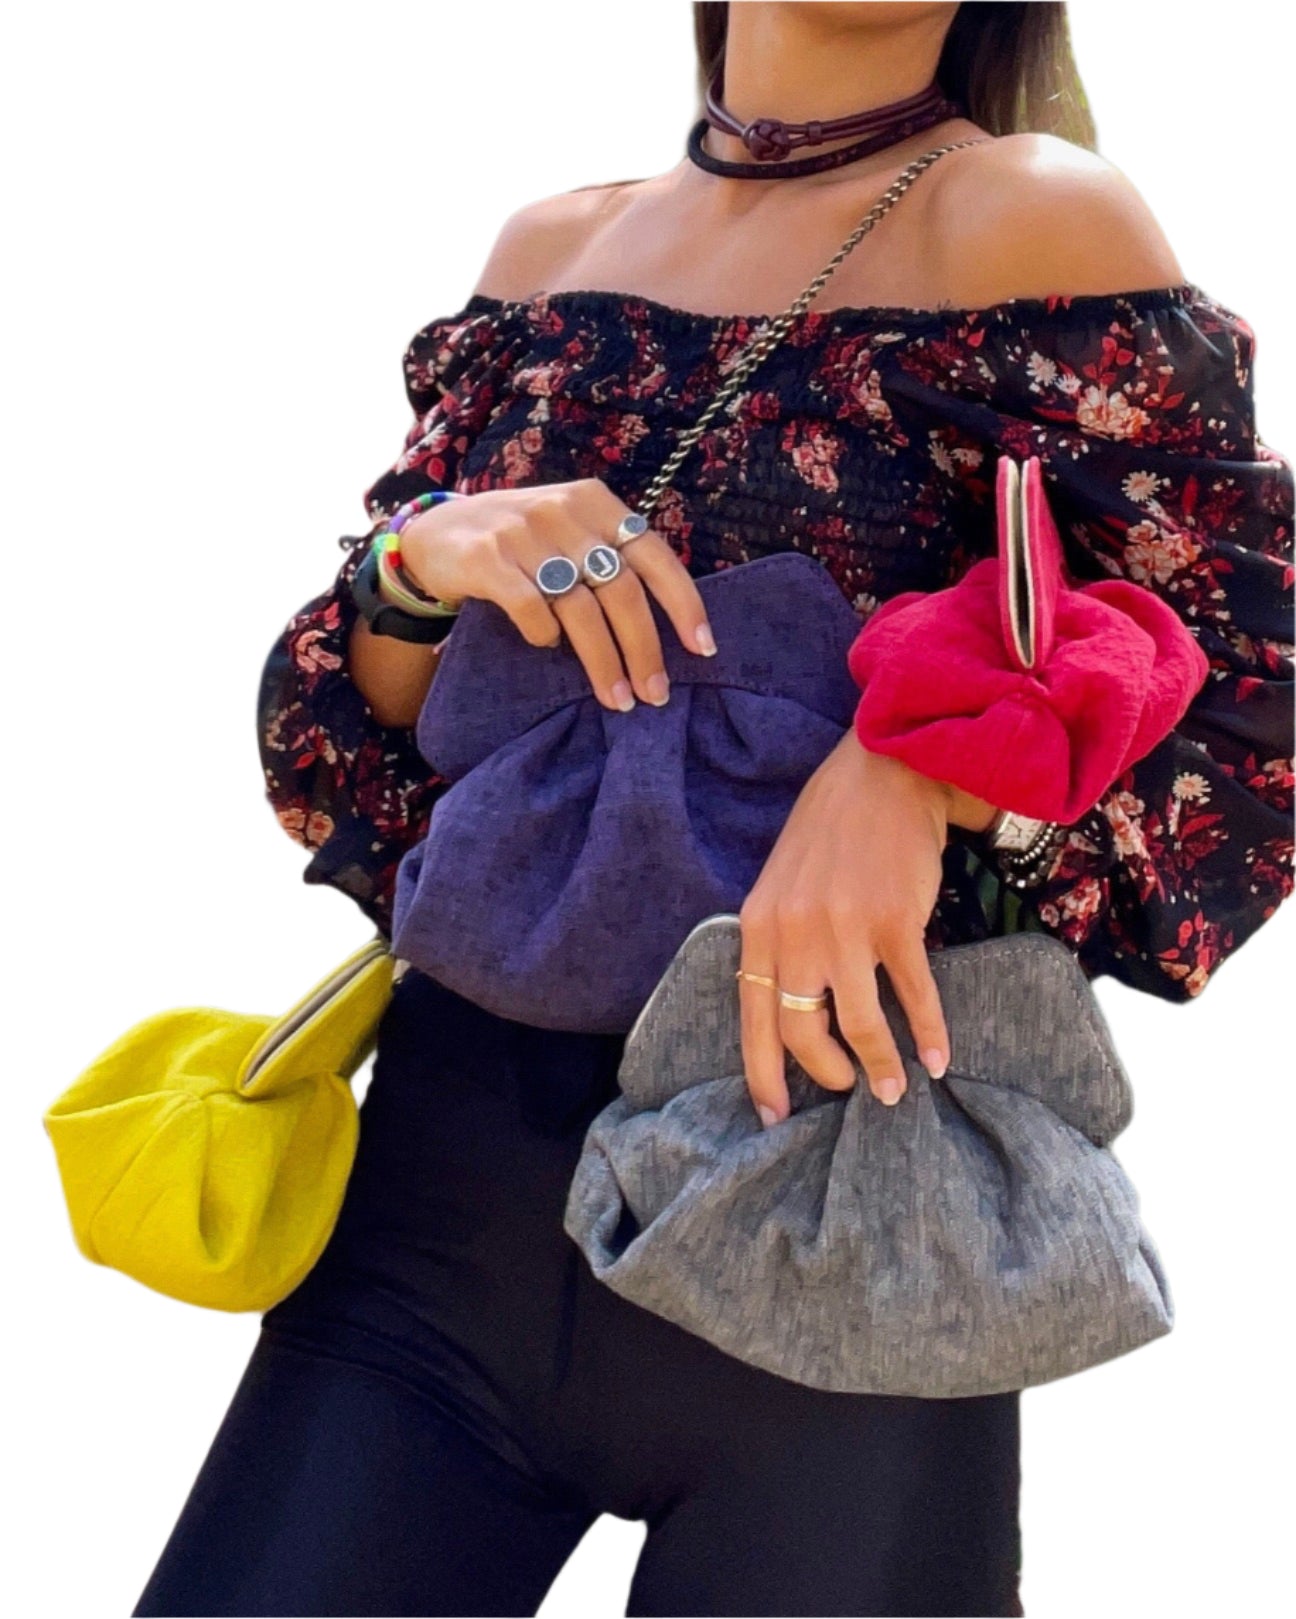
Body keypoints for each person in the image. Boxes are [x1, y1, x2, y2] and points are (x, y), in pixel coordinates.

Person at [132, 4, 1294, 1615]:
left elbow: (1249, 692)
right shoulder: (547, 256)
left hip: (845, 1221)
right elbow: (365, 748)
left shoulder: (1030, 216)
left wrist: (923, 773)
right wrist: (418, 564)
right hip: (435, 1224)